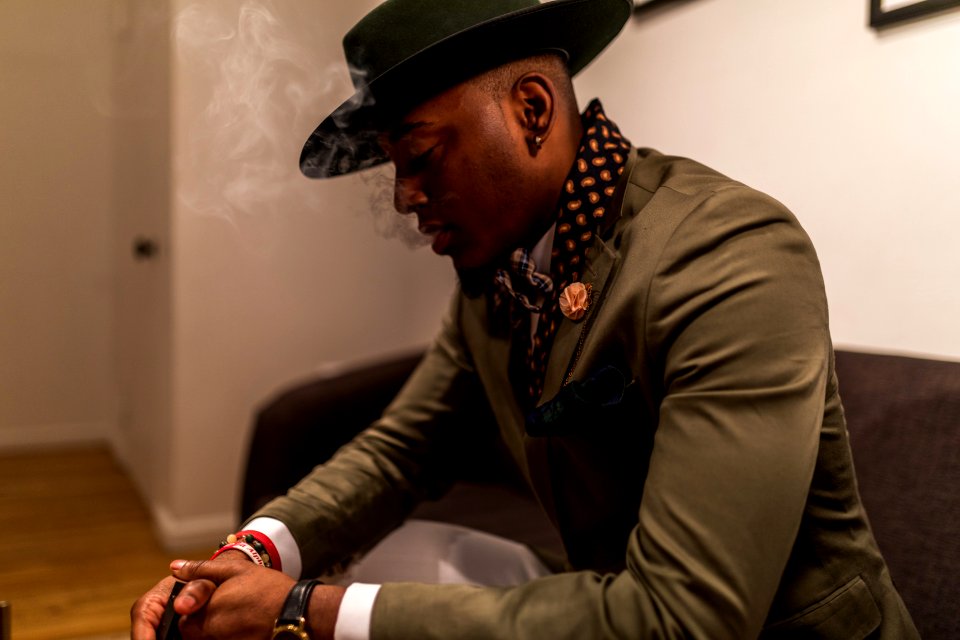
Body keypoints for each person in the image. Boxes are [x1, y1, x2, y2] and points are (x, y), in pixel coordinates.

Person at [132, 0, 920, 638]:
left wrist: (305, 609)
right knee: (408, 555)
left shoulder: (730, 258)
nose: (404, 199)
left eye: (422, 156)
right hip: (609, 600)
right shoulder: (495, 274)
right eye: (394, 170)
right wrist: (249, 554)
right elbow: (399, 451)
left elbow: (683, 618)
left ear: (532, 111)